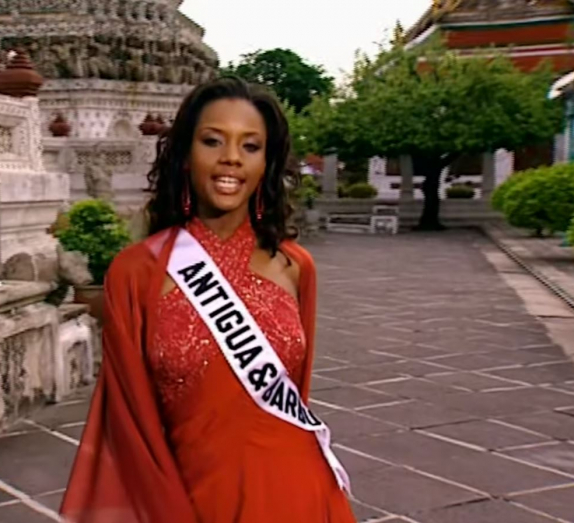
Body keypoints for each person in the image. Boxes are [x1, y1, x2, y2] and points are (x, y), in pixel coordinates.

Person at [60, 77, 357, 523]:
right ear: (185, 153)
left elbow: (297, 390)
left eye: (250, 146)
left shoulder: (295, 267)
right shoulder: (135, 272)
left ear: (267, 163)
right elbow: (130, 420)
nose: (231, 157)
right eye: (213, 141)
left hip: (302, 496)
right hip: (191, 499)